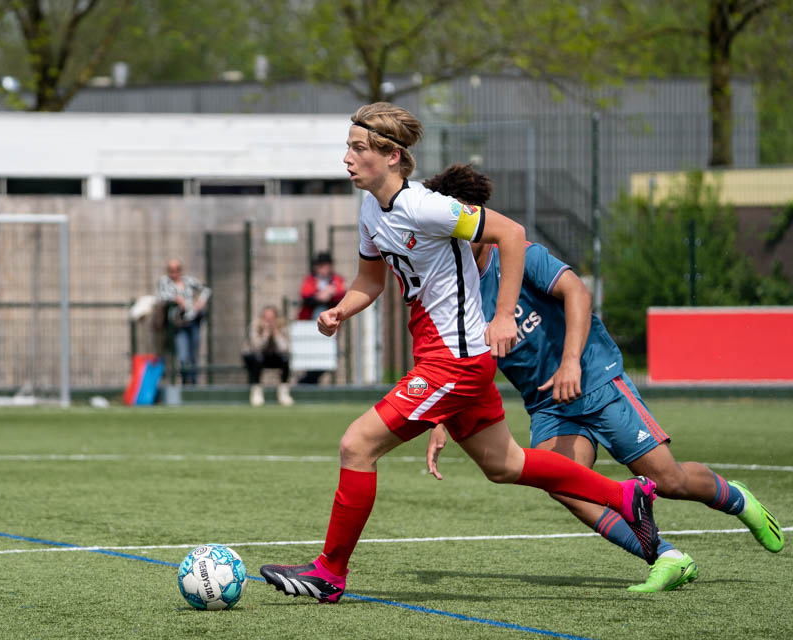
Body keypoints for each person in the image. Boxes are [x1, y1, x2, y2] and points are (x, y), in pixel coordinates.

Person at [259, 102, 661, 604]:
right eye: (348, 147)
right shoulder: (369, 210)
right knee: (506, 464)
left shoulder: (427, 207)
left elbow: (511, 234)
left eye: (358, 149)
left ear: (391, 156)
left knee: (356, 446)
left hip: (455, 361)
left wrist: (504, 314)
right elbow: (370, 280)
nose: (347, 158)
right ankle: (625, 494)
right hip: (445, 359)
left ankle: (329, 573)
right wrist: (341, 310)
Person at [422, 163, 784, 593]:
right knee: (565, 484)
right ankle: (665, 556)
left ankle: (737, 499)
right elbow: (458, 356)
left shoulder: (520, 255)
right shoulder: (454, 287)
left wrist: (571, 362)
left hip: (595, 378)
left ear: (477, 216)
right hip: (547, 404)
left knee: (669, 481)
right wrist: (440, 418)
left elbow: (577, 292)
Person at [157, 258, 211, 385]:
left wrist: (200, 302)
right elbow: (161, 296)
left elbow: (206, 290)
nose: (174, 272)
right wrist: (176, 299)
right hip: (178, 324)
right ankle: (185, 383)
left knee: (193, 355)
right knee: (183, 356)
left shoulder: (188, 281)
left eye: (177, 269)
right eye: (171, 270)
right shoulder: (165, 282)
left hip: (193, 321)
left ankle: (193, 384)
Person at [297, 251, 346, 384]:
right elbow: (306, 296)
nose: (322, 269)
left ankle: (308, 381)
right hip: (310, 324)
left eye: (324, 265)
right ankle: (309, 381)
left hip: (331, 325)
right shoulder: (310, 280)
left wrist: (325, 295)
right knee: (311, 355)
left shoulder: (336, 279)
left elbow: (341, 294)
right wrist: (322, 295)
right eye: (319, 266)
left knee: (329, 355)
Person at [243, 305, 294, 407]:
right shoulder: (255, 326)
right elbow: (256, 347)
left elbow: (284, 348)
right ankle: (256, 392)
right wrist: (265, 334)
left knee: (285, 358)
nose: (269, 321)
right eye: (266, 318)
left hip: (274, 357)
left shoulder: (282, 327)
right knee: (258, 358)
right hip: (256, 357)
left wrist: (276, 333)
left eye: (272, 318)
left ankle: (283, 392)